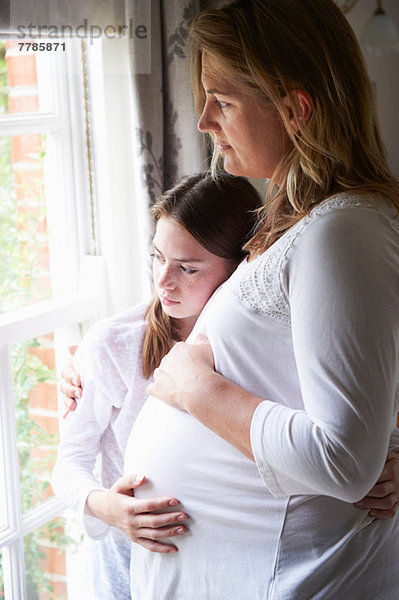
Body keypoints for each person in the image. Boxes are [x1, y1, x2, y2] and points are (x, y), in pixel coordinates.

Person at [121, 0, 399, 598]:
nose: (202, 122)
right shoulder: (313, 225)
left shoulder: (343, 230)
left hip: (289, 577)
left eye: (221, 100)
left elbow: (341, 460)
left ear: (295, 110)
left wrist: (194, 386)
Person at [51, 172, 264, 599]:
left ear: (242, 266)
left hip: (224, 564)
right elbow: (67, 464)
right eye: (157, 257)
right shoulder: (114, 345)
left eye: (186, 267)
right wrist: (108, 508)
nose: (164, 280)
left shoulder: (261, 348)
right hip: (127, 560)